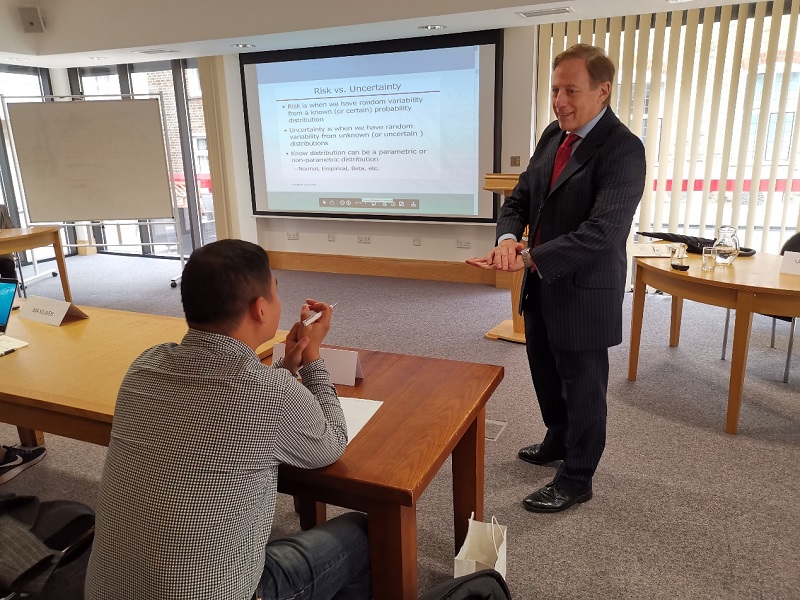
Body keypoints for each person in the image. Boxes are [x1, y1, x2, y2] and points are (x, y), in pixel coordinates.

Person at [85, 239, 370, 600]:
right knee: (362, 534)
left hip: (104, 590)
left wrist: (286, 367)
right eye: (276, 291)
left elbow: (216, 409)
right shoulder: (271, 394)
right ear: (260, 308)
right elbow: (333, 442)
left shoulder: (144, 365)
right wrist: (312, 358)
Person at [467, 44, 646, 513]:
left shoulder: (624, 148)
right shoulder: (554, 134)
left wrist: (530, 257)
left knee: (583, 387)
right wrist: (508, 239)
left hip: (584, 291)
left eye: (571, 90)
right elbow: (520, 197)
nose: (559, 101)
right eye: (554, 90)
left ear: (603, 90)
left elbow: (603, 232)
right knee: (545, 372)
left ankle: (578, 476)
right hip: (542, 285)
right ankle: (558, 438)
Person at [0, 203, 17, 280]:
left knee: (8, 265)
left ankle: (8, 289)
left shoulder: (2, 208)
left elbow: (11, 229)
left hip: (3, 254)